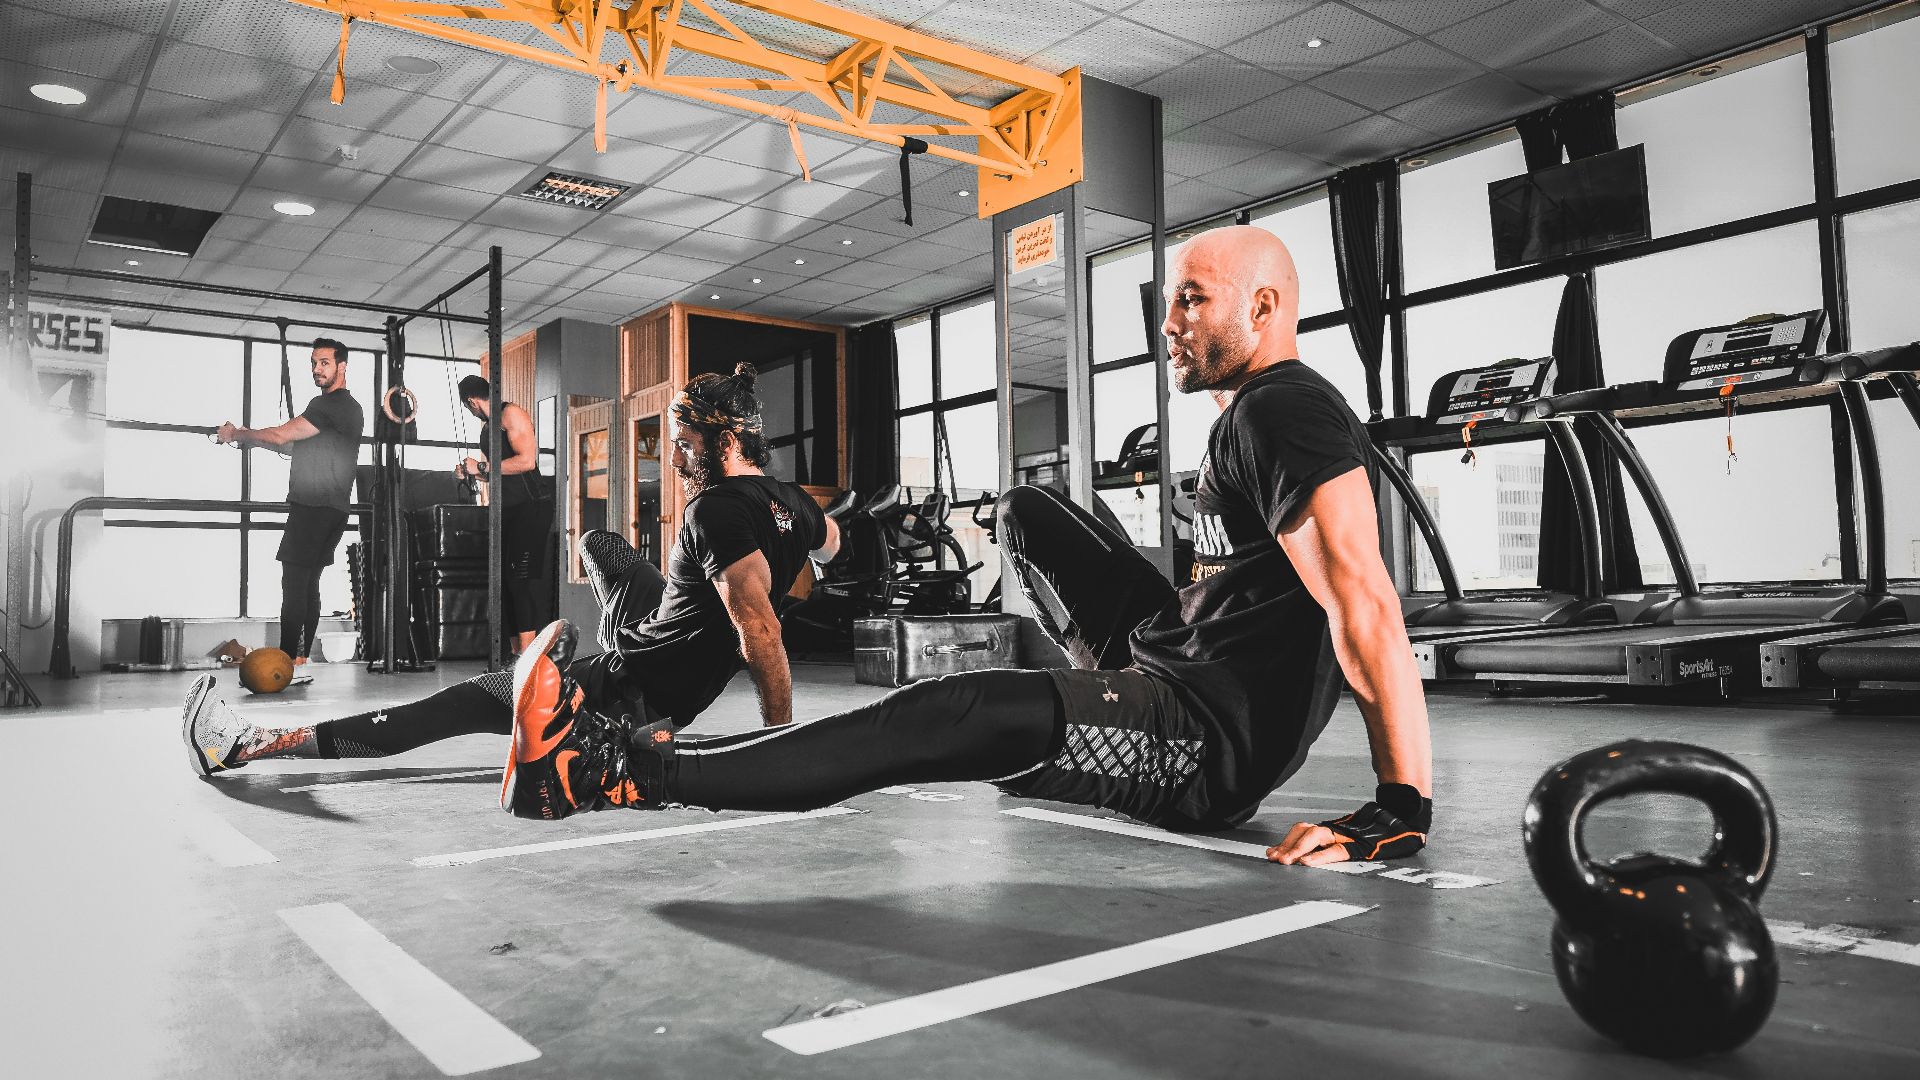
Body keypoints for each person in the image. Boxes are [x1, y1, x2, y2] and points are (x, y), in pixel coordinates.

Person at [502, 227, 1434, 868]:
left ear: (1263, 307)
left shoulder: (1285, 411)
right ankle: (1100, 692)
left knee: (946, 712)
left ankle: (613, 771)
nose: (1169, 322)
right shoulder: (1251, 417)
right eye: (1169, 301)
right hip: (1178, 663)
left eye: (1193, 300)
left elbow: (1363, 601)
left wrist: (1400, 808)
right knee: (1027, 510)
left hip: (1201, 743)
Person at [181, 363, 839, 774]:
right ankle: (619, 638)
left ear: (726, 442)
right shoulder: (797, 506)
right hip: (663, 660)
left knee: (455, 704)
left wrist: (777, 745)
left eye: (684, 446)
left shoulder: (715, 511)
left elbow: (761, 634)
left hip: (627, 692)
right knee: (603, 546)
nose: (673, 459)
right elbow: (830, 548)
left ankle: (247, 746)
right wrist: (797, 567)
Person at [216, 338, 364, 666]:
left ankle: (284, 662)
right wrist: (251, 440)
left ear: (342, 366)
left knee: (295, 583)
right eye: (314, 363)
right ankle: (298, 659)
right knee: (308, 584)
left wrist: (236, 434)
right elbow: (289, 446)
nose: (317, 369)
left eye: (324, 363)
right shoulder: (348, 410)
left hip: (313, 507)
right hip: (334, 509)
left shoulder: (329, 405)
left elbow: (282, 434)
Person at [454, 375, 554, 656]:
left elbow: (527, 461)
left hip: (532, 507)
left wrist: (481, 467)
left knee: (518, 580)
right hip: (507, 508)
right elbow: (499, 472)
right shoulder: (488, 426)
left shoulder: (511, 414)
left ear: (471, 402)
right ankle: (515, 655)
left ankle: (528, 655)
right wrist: (471, 473)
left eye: (468, 407)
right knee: (504, 583)